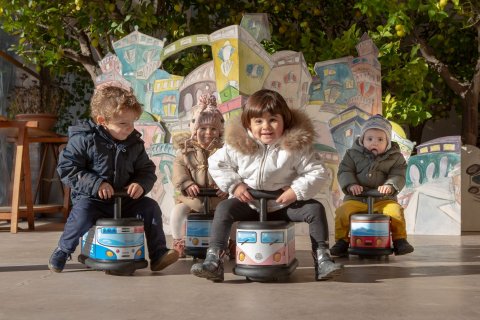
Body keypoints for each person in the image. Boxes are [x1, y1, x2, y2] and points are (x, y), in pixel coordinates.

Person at [190, 89, 343, 282]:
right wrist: (235, 185)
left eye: (273, 120)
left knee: (315, 209)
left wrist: (295, 191)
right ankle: (214, 259)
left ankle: (322, 259)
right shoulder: (238, 144)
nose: (266, 127)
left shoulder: (295, 146)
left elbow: (317, 171)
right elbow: (217, 163)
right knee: (223, 209)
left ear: (284, 121)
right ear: (248, 123)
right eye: (259, 121)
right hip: (250, 202)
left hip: (282, 204)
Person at [48, 85, 179, 273]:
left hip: (124, 199)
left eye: (132, 122)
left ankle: (158, 253)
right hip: (93, 199)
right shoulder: (85, 139)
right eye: (123, 124)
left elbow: (146, 170)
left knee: (150, 207)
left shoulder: (134, 143)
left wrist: (140, 184)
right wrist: (96, 183)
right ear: (103, 121)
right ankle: (62, 250)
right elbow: (67, 168)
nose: (130, 128)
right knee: (82, 214)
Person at [330, 114, 414, 257]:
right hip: (357, 198)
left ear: (387, 142)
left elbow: (398, 174)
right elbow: (345, 170)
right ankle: (342, 241)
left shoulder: (395, 157)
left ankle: (400, 240)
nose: (374, 143)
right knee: (343, 212)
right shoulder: (352, 154)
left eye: (380, 139)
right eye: (370, 139)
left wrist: (390, 185)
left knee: (395, 211)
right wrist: (351, 185)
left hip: (383, 199)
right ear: (362, 140)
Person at [171, 93, 231, 258]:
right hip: (193, 199)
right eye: (202, 129)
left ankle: (233, 242)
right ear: (194, 130)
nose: (208, 133)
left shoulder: (225, 152)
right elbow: (178, 170)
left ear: (219, 132)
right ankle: (179, 241)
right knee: (178, 212)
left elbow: (233, 169)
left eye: (213, 129)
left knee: (234, 215)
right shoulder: (185, 152)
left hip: (219, 199)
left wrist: (226, 185)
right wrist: (186, 184)